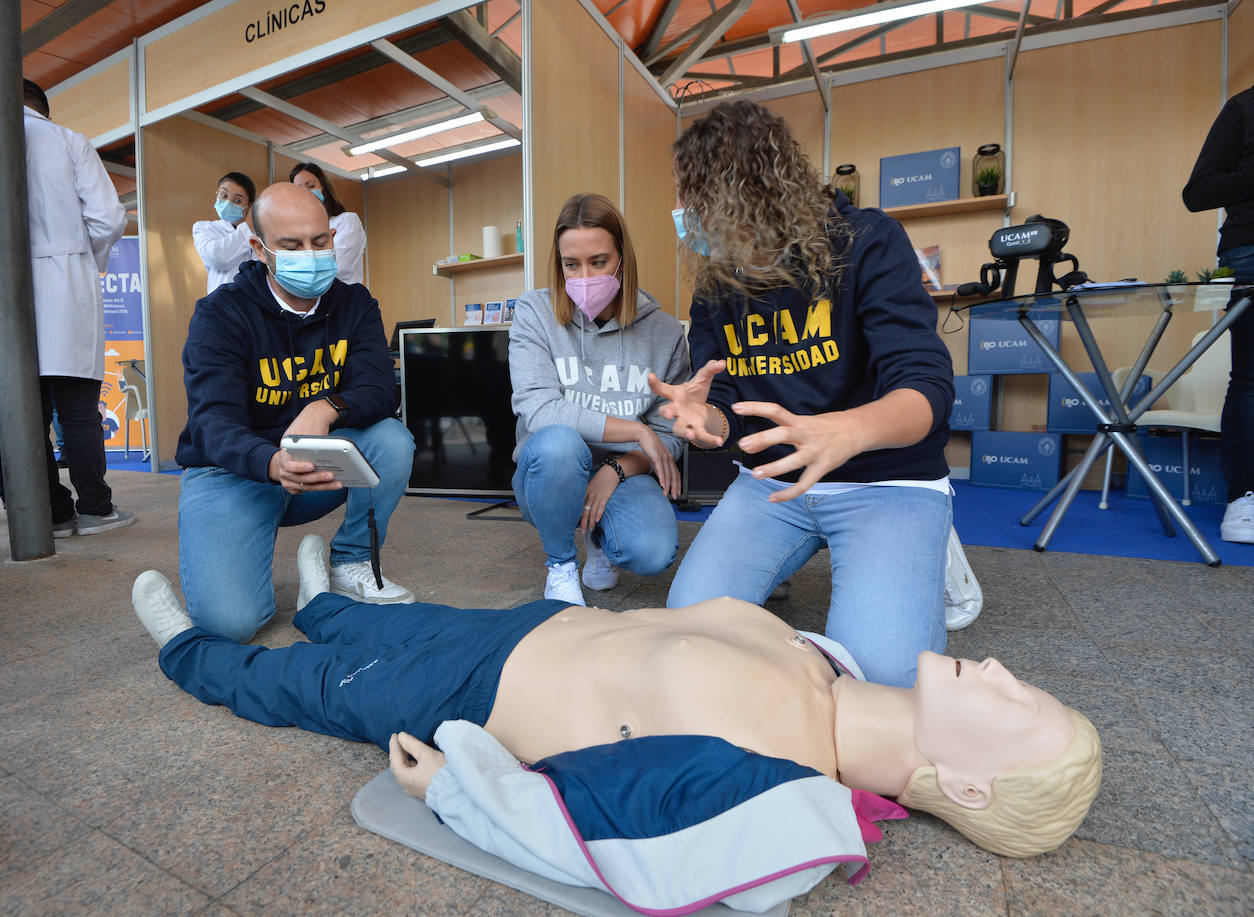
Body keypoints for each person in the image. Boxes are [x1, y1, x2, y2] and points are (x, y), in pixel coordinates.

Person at [129, 539, 1102, 912]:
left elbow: (603, 831)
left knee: (302, 682)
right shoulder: (830, 670)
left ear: (969, 783)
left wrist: (457, 787)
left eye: (1017, 705)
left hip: (468, 693)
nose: (1007, 672)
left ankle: (187, 652)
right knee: (390, 618)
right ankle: (329, 598)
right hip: (535, 626)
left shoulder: (775, 783)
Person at [651, 101, 956, 688]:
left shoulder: (869, 241)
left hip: (886, 481)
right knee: (687, 632)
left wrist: (849, 429)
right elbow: (734, 412)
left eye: (700, 198)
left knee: (880, 679)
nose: (689, 216)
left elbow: (929, 388)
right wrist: (706, 422)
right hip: (771, 485)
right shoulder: (718, 283)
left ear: (756, 193)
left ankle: (920, 555)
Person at [163, 181, 416, 643]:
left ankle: (349, 562)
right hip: (232, 472)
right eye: (292, 245)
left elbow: (380, 388)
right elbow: (211, 422)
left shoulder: (355, 303)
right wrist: (270, 462)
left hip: (315, 468)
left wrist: (327, 407)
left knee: (391, 440)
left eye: (320, 242)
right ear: (259, 249)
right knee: (230, 626)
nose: (312, 254)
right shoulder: (221, 314)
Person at [0, 79, 132, 537]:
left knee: (21, 409)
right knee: (77, 407)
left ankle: (51, 511)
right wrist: (78, 256)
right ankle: (95, 508)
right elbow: (108, 218)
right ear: (41, 109)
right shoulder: (68, 140)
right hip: (63, 284)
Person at [508, 193, 688, 605]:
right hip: (550, 470)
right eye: (572, 264)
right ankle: (561, 566)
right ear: (559, 263)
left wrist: (617, 468)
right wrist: (636, 431)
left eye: (599, 262)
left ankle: (601, 538)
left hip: (624, 471)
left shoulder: (664, 332)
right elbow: (538, 408)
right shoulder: (534, 312)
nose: (585, 276)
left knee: (654, 552)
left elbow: (669, 436)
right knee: (557, 442)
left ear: (623, 258)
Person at [1182, 84, 1254, 544]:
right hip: (1251, 245)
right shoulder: (1244, 107)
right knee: (1251, 378)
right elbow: (1197, 192)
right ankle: (1245, 499)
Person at [288, 163, 365, 285]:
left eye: (311, 186)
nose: (306, 193)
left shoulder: (346, 221)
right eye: (299, 190)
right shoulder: (294, 230)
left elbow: (337, 266)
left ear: (324, 187)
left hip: (345, 297)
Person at [194, 171, 257, 294]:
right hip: (221, 307)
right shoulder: (204, 228)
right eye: (224, 195)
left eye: (237, 200)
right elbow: (218, 258)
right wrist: (249, 226)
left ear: (249, 206)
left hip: (256, 307)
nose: (228, 202)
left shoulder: (262, 234)